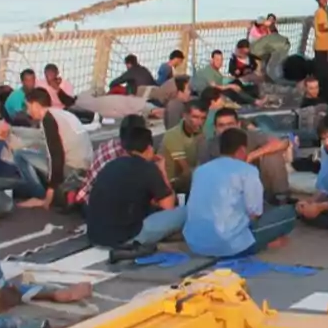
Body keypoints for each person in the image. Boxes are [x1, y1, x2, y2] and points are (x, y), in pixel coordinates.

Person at [183, 128, 297, 258]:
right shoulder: (247, 171)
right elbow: (255, 213)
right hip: (230, 246)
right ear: (242, 150)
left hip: (195, 244)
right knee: (288, 213)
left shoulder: (200, 171)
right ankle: (265, 243)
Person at [86, 124, 187, 261]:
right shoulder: (148, 168)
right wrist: (161, 169)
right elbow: (168, 206)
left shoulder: (111, 165)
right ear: (149, 148)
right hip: (125, 237)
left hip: (95, 235)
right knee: (184, 212)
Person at [197, 108, 291, 202]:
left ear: (238, 125)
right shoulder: (207, 145)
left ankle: (281, 197)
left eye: (230, 124)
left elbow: (283, 142)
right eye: (221, 125)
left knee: (272, 156)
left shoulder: (250, 136)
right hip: (223, 189)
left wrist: (252, 155)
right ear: (215, 128)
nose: (226, 129)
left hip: (254, 184)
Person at [23, 88, 94, 209]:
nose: (27, 111)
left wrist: (49, 195)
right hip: (87, 166)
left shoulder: (48, 119)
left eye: (27, 106)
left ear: (35, 105)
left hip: (72, 168)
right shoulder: (63, 113)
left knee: (20, 155)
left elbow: (56, 156)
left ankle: (40, 195)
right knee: (38, 152)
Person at [161, 100, 208, 193]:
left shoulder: (201, 132)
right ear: (185, 115)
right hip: (173, 183)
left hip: (192, 177)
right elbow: (185, 170)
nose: (199, 122)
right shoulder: (173, 135)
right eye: (195, 117)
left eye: (203, 118)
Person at [312, 0, 328, 95]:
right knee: (324, 72)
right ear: (318, 0)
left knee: (326, 71)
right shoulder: (321, 13)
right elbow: (322, 27)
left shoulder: (325, 11)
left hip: (326, 46)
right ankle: (323, 92)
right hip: (322, 46)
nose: (325, 0)